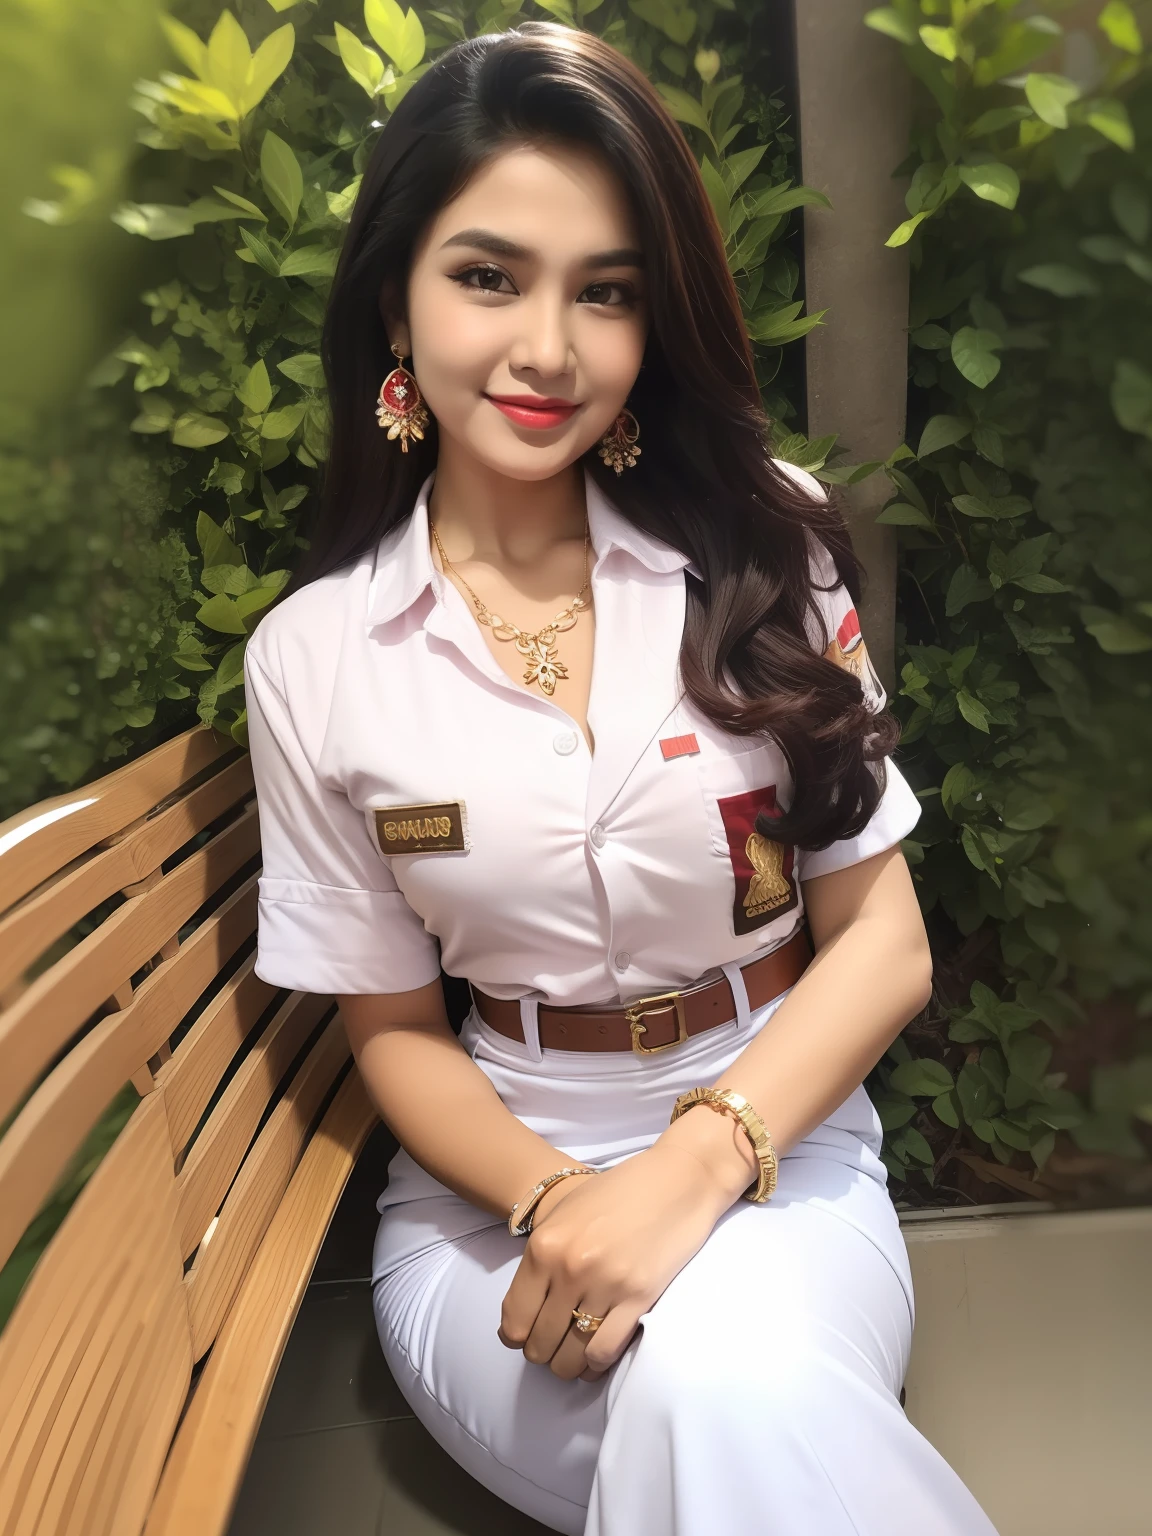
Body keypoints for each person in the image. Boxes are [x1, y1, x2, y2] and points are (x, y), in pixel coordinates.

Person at [243, 21, 1001, 1536]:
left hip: (789, 1147)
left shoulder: (761, 541)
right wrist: (555, 1199)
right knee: (740, 1421)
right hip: (485, 1218)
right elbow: (392, 1032)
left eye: (606, 292)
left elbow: (884, 943)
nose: (547, 347)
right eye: (487, 276)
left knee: (716, 1389)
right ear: (395, 296)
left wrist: (692, 1169)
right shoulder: (316, 658)